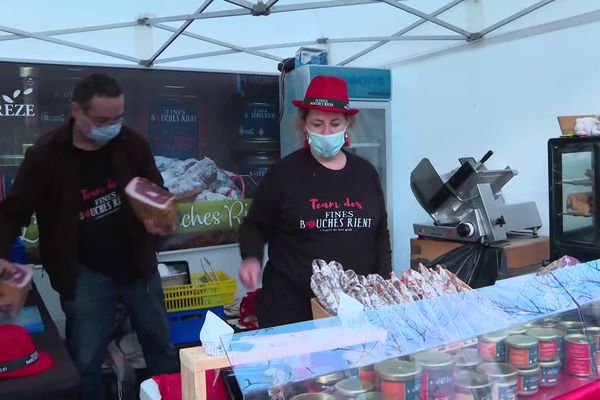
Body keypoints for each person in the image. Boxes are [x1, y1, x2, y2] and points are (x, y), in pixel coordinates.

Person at [0, 73, 178, 399]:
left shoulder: (132, 143)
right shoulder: (46, 155)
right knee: (85, 359)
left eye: (118, 118)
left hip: (137, 264)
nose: (112, 126)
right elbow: (13, 211)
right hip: (83, 272)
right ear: (76, 111)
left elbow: (157, 192)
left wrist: (159, 220)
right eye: (102, 120)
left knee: (161, 347)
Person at [238, 75, 392, 328]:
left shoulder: (366, 174)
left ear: (347, 124)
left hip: (353, 309)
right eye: (318, 123)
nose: (327, 131)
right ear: (304, 125)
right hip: (292, 311)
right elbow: (255, 224)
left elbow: (379, 234)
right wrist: (251, 257)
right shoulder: (284, 174)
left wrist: (382, 284)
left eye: (335, 123)